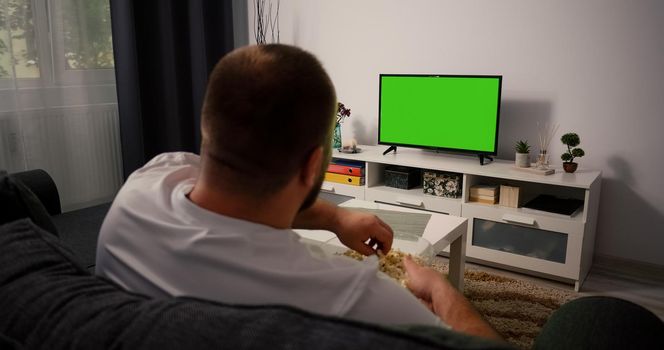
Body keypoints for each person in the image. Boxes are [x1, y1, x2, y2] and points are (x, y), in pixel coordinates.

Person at [95, 44, 501, 340]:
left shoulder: (142, 188)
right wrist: (440, 289)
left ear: (207, 131)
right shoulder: (354, 297)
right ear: (312, 165)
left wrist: (336, 216)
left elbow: (236, 202)